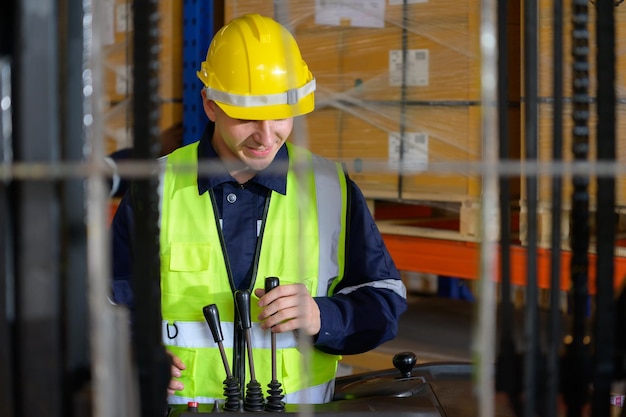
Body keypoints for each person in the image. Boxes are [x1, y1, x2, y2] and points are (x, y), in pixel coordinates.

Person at [110, 13, 407, 406]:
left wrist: (323, 317)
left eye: (281, 116)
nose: (266, 137)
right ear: (210, 105)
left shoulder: (330, 188)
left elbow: (384, 297)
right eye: (247, 117)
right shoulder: (155, 188)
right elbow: (109, 305)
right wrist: (135, 355)